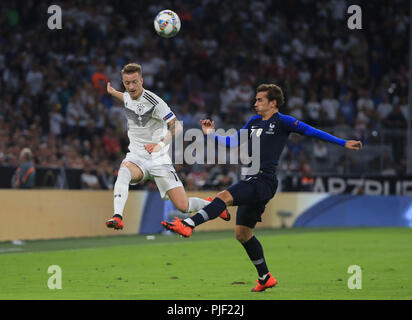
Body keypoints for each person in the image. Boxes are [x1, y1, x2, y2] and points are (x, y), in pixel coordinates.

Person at [162, 84, 363, 292]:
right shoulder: (254, 122)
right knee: (242, 234)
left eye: (260, 100)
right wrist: (210, 134)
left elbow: (311, 131)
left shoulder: (283, 121)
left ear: (273, 103)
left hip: (263, 180)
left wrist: (342, 142)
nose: (255, 103)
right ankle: (265, 277)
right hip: (253, 180)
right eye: (256, 100)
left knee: (223, 196)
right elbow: (232, 142)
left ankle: (188, 224)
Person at [105, 63, 229, 230]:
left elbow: (177, 126)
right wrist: (113, 93)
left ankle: (214, 205)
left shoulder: (155, 102)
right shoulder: (128, 96)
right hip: (136, 158)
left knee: (183, 206)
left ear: (142, 80)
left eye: (135, 82)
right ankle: (117, 216)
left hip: (158, 158)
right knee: (124, 170)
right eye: (127, 83)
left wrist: (160, 144)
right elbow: (125, 97)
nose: (131, 86)